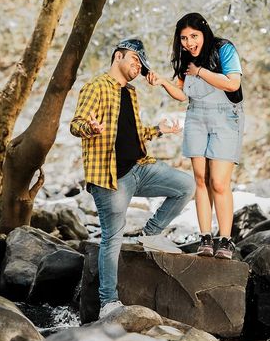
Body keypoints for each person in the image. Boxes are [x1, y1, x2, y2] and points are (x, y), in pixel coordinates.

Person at [70, 38, 195, 319]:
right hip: (109, 176)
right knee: (111, 238)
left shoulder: (131, 92)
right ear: (118, 57)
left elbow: (134, 135)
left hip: (140, 168)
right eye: (134, 60)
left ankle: (149, 234)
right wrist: (89, 127)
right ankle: (108, 303)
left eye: (141, 63)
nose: (138, 66)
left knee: (186, 186)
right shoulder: (96, 86)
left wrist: (159, 130)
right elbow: (76, 124)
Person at [147, 13, 245, 260]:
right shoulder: (184, 60)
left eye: (193, 36)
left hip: (226, 118)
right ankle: (205, 237)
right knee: (201, 179)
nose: (189, 43)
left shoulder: (224, 49)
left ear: (204, 33)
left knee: (219, 183)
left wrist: (199, 71)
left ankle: (226, 239)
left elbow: (232, 84)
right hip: (196, 117)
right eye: (183, 38)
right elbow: (182, 95)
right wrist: (162, 82)